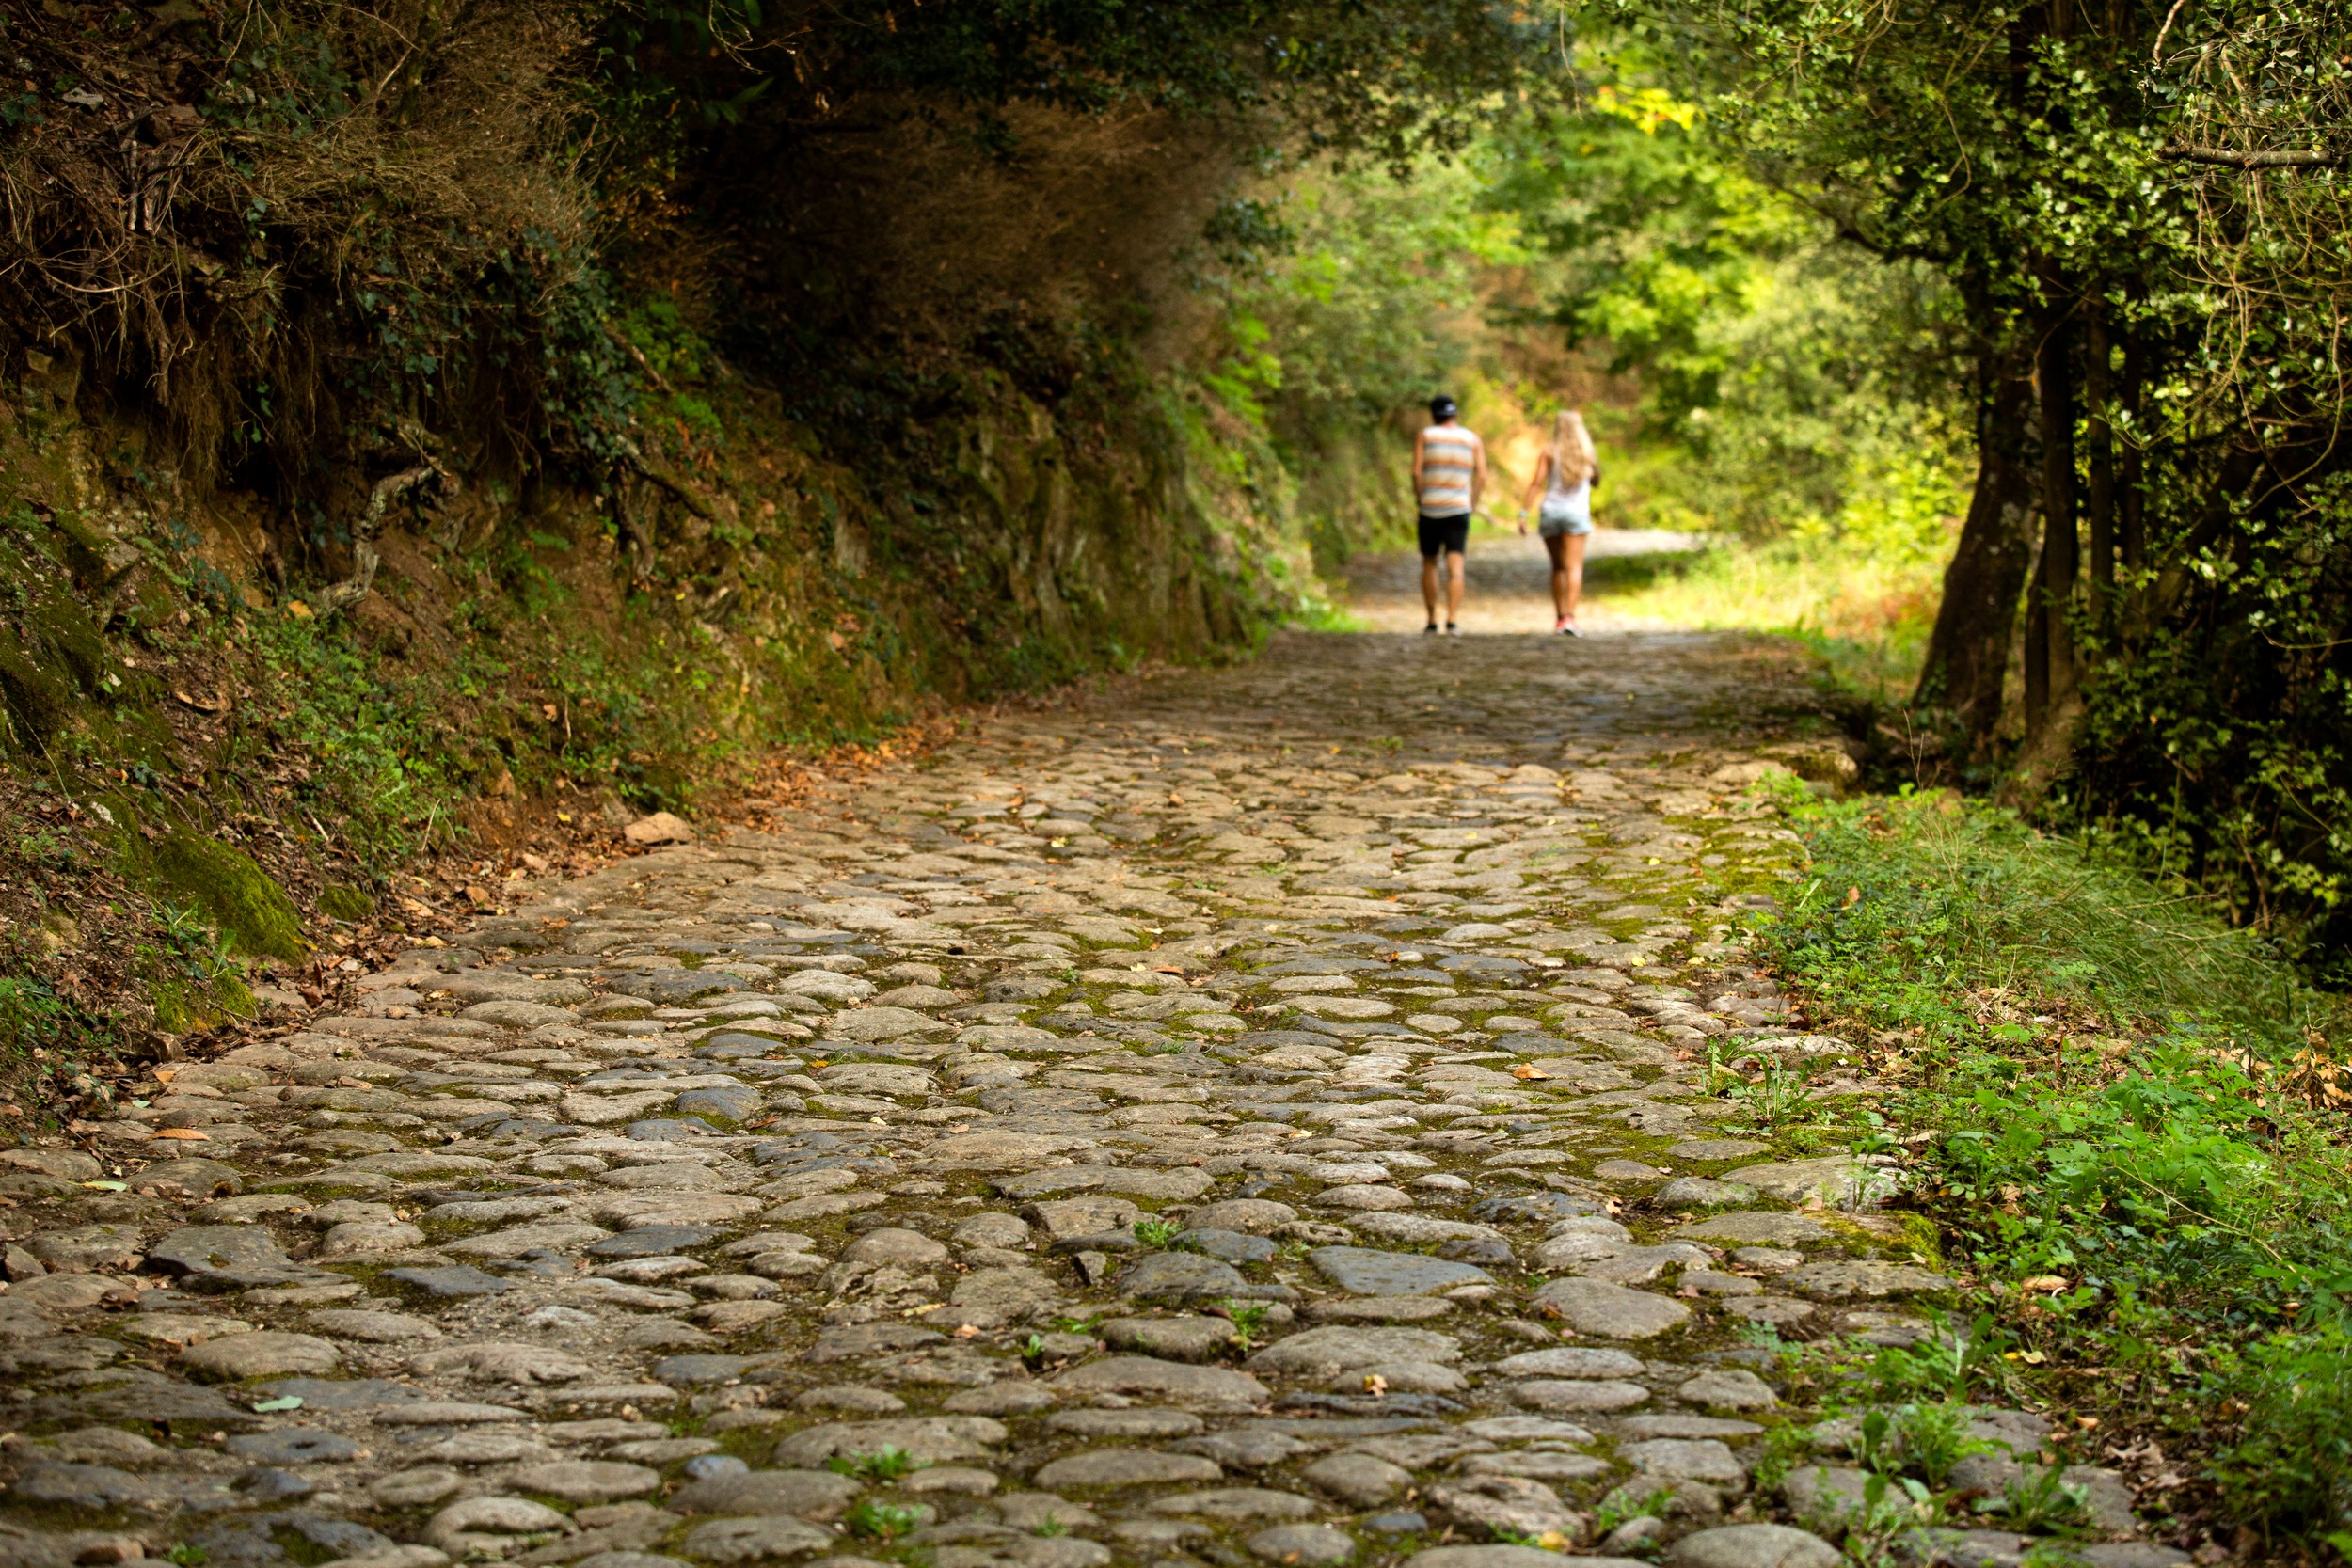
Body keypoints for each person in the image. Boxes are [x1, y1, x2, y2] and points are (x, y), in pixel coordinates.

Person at [1518, 408, 1598, 634]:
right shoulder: (1587, 452)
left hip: (1551, 512)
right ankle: (1570, 618)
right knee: (1574, 566)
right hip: (1576, 513)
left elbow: (1536, 483)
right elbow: (1596, 479)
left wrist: (1524, 512)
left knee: (1557, 567)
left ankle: (1559, 617)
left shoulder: (1549, 451)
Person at [1412, 394, 1486, 634]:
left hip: (1430, 508)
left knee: (1430, 562)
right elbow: (1482, 475)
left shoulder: (1426, 436)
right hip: (1458, 508)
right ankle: (1452, 620)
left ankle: (1432, 619)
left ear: (1434, 414)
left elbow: (1416, 472)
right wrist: (1471, 502)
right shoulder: (1472, 439)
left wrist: (1420, 497)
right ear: (1455, 414)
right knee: (1456, 567)